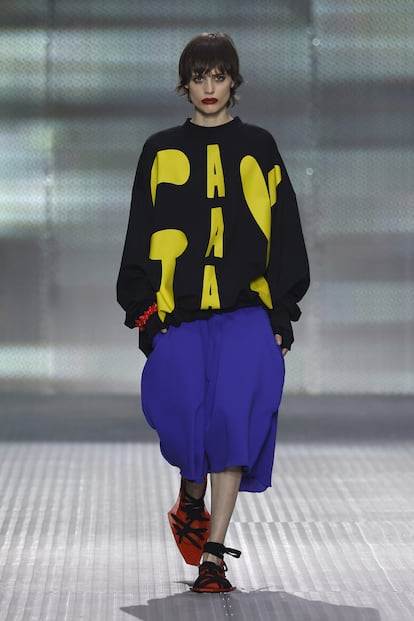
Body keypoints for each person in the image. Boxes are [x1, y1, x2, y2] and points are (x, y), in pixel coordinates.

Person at [116, 32, 310, 593]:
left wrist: (281, 314)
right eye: (199, 77)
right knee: (185, 421)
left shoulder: (259, 147)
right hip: (178, 314)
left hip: (247, 310)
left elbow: (284, 231)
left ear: (233, 82)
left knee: (233, 420)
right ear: (184, 84)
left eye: (218, 76)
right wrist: (144, 312)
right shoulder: (160, 151)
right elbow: (141, 230)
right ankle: (191, 496)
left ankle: (214, 555)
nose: (208, 87)